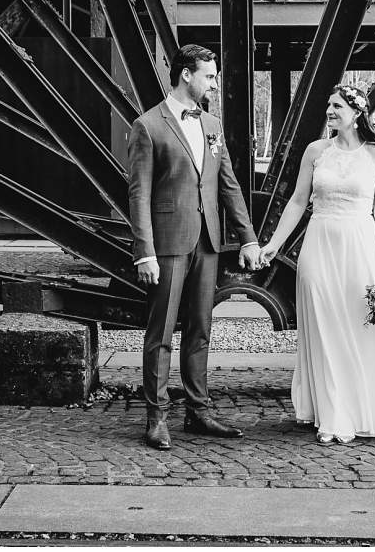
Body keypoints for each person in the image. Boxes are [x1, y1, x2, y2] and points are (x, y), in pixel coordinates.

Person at [259, 83, 375, 444]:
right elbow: (297, 201)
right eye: (329, 106)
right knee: (323, 327)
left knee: (359, 328)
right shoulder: (316, 151)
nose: (329, 112)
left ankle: (365, 408)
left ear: (357, 113)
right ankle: (332, 415)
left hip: (359, 245)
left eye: (336, 106)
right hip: (318, 244)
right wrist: (274, 244)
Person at [127, 44, 263, 451]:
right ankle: (157, 418)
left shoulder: (212, 125)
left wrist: (248, 237)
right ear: (186, 75)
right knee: (161, 332)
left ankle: (198, 413)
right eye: (209, 75)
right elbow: (138, 194)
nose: (214, 83)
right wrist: (144, 251)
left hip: (207, 242)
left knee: (201, 329)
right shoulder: (148, 125)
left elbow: (228, 185)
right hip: (167, 245)